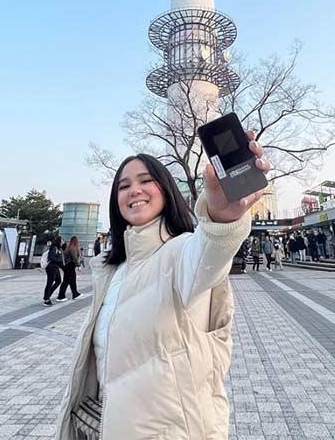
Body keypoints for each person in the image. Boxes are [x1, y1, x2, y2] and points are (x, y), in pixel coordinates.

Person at [54, 131, 270, 440]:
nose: (134, 190)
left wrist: (222, 216)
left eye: (146, 181)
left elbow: (210, 250)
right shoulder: (112, 271)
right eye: (124, 186)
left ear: (166, 190)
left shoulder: (182, 254)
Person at [58, 236, 82, 301]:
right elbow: (74, 258)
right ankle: (60, 296)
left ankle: (75, 294)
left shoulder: (69, 247)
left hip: (68, 266)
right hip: (70, 266)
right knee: (66, 281)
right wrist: (78, 265)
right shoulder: (73, 248)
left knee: (72, 280)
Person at [43, 239, 64, 306]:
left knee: (58, 281)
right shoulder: (54, 248)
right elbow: (52, 258)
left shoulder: (58, 249)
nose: (63, 243)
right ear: (58, 242)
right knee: (49, 283)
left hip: (55, 267)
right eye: (62, 241)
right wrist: (59, 259)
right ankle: (46, 300)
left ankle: (47, 295)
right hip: (51, 268)